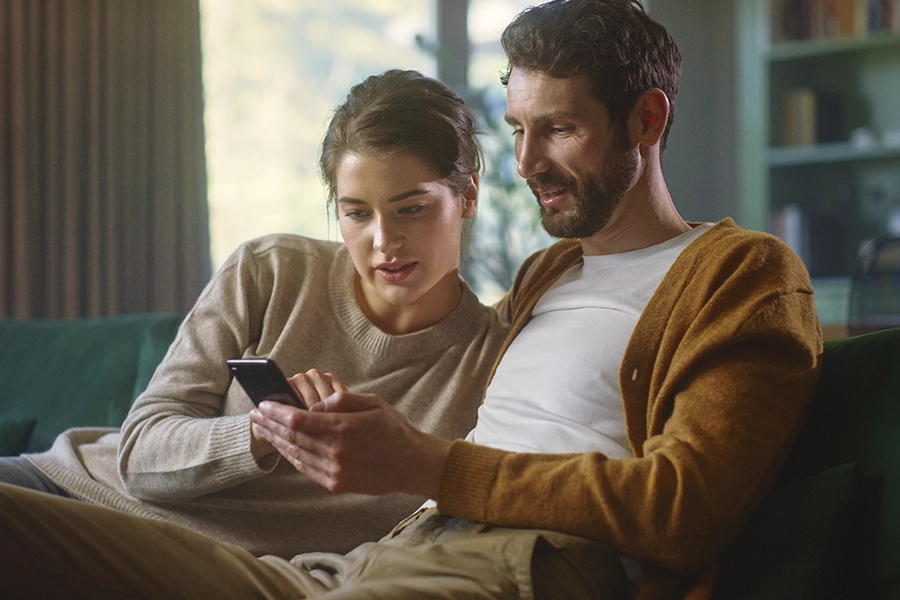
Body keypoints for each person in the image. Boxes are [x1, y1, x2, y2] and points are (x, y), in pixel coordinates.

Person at [0, 1, 822, 598]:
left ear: (647, 120)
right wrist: (276, 433)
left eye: (559, 129)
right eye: (517, 128)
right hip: (374, 551)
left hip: (502, 556)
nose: (527, 162)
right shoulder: (546, 279)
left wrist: (423, 462)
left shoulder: (738, 273)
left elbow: (682, 505)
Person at [0, 69, 507, 558]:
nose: (383, 241)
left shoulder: (497, 364)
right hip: (75, 492)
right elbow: (138, 456)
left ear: (466, 197)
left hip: (203, 568)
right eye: (356, 213)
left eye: (410, 208)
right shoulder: (270, 271)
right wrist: (264, 431)